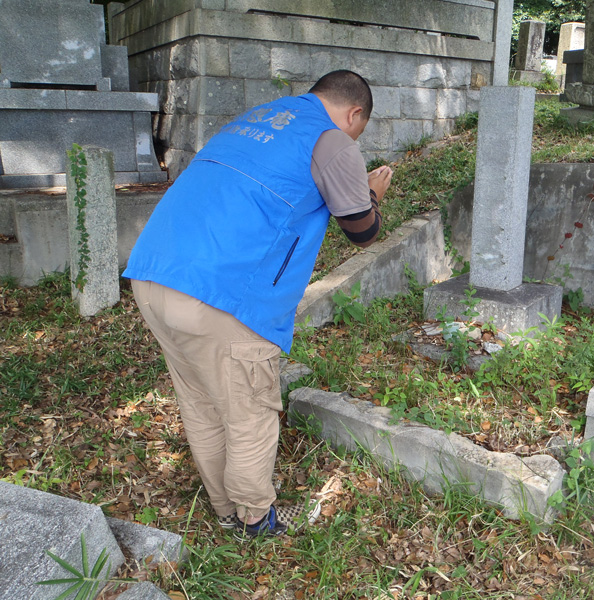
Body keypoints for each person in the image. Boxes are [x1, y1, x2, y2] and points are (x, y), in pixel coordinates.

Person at [123, 70, 393, 539]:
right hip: (220, 296)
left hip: (153, 275)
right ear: (354, 114)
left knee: (202, 403)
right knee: (249, 415)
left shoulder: (257, 119)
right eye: (359, 129)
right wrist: (371, 193)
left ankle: (225, 510)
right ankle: (256, 521)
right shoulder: (333, 143)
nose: (354, 137)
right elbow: (362, 230)